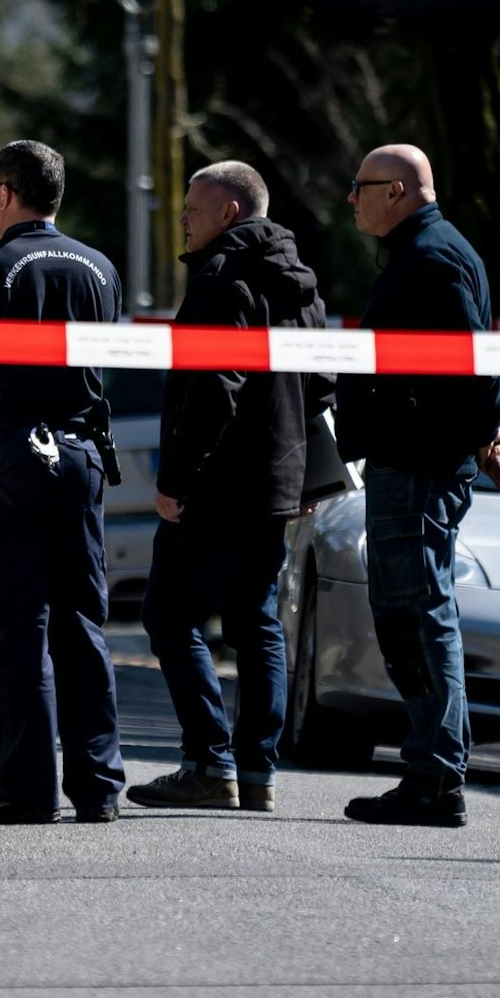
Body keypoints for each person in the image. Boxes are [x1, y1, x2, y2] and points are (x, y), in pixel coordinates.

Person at [0, 140, 127, 824]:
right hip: (79, 457)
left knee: (15, 626)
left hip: (5, 457)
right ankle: (99, 787)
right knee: (79, 624)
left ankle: (27, 789)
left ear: (6, 192)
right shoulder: (99, 268)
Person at [126, 162, 332, 814]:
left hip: (218, 483)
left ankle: (211, 763)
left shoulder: (223, 277)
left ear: (230, 213)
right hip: (276, 484)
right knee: (256, 621)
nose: (182, 219)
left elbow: (217, 383)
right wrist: (304, 474)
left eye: (193, 207)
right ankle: (258, 773)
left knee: (168, 613)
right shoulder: (302, 285)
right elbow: (325, 384)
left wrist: (175, 478)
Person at [335, 143, 500, 828]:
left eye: (360, 186)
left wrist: (489, 434)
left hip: (418, 465)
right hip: (410, 459)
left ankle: (435, 777)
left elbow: (474, 362)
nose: (350, 198)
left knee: (418, 619)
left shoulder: (434, 256)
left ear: (399, 191)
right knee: (410, 618)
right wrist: (490, 436)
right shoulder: (426, 250)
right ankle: (430, 770)